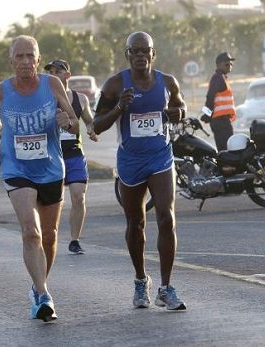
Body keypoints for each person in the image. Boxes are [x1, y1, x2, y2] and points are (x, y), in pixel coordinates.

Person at [0, 35, 79, 321]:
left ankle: (38, 287)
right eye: (19, 56)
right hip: (16, 169)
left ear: (37, 58)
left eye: (29, 56)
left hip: (50, 168)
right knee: (31, 232)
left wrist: (66, 121)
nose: (25, 62)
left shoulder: (52, 84)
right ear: (11, 60)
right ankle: (43, 292)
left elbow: (73, 120)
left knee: (49, 236)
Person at [93, 31, 187, 311]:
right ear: (127, 55)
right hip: (131, 161)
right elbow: (97, 125)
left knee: (166, 218)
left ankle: (166, 288)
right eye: (134, 51)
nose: (140, 56)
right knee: (136, 224)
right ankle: (139, 280)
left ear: (153, 54)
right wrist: (120, 107)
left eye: (145, 51)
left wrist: (179, 112)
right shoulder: (114, 85)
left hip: (161, 157)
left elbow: (180, 106)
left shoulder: (168, 82)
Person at [43, 59, 98, 255]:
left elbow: (89, 120)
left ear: (67, 74)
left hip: (74, 154)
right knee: (53, 201)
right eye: (51, 72)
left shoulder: (80, 99)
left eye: (58, 71)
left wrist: (92, 130)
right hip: (50, 155)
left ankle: (74, 240)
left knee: (79, 197)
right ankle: (49, 236)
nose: (54, 74)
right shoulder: (43, 98)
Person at [202, 52, 236, 151]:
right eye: (227, 63)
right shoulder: (218, 78)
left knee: (228, 148)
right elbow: (210, 96)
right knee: (226, 150)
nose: (230, 65)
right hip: (220, 121)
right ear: (219, 65)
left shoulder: (222, 78)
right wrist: (206, 114)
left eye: (231, 64)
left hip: (223, 120)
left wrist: (207, 115)